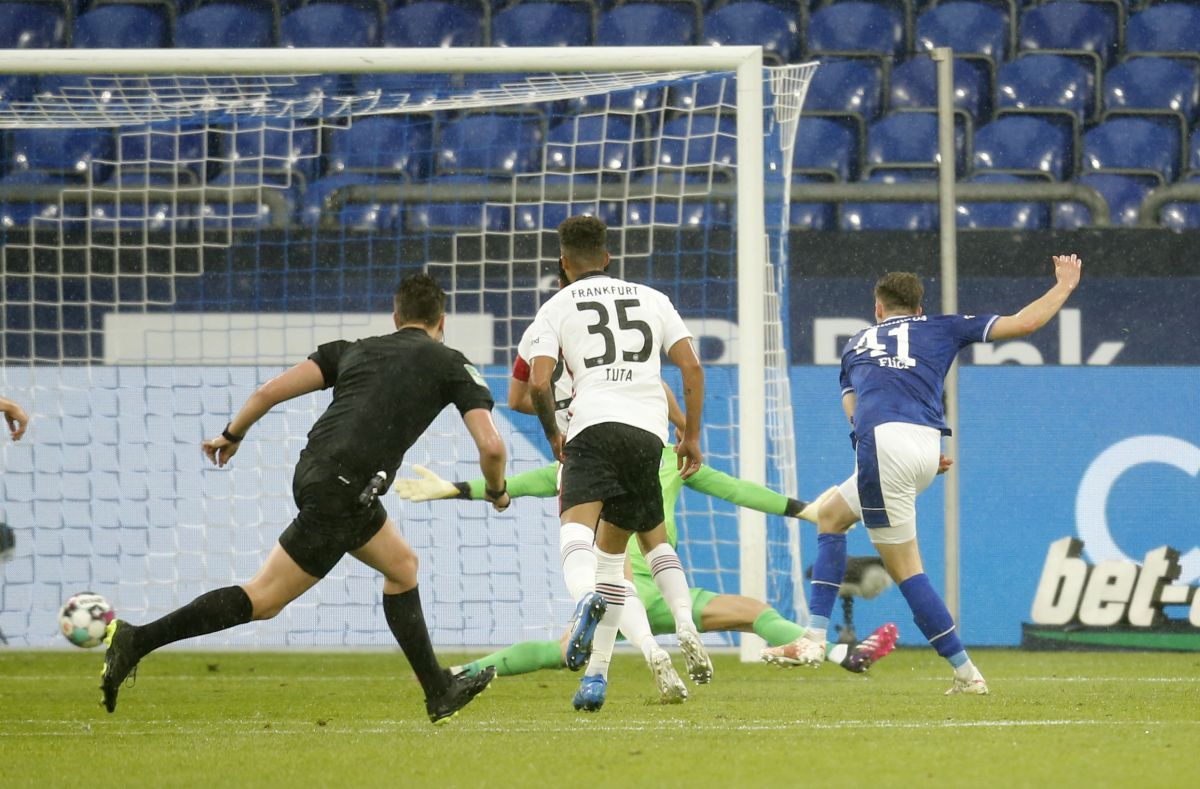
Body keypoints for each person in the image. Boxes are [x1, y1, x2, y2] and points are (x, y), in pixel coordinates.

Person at [99, 273, 510, 724]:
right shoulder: (451, 363)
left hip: (315, 472)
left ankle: (438, 690)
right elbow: (491, 447)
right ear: (442, 320)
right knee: (265, 599)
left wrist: (231, 434)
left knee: (402, 566)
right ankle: (136, 640)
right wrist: (495, 490)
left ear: (395, 317)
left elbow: (268, 391)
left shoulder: (353, 348)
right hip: (345, 488)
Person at [762, 255, 1083, 695]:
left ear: (878, 308)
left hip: (884, 446)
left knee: (908, 571)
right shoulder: (941, 326)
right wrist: (1064, 285)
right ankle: (815, 638)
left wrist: (884, 452)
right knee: (833, 515)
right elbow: (1024, 324)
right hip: (927, 447)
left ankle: (961, 672)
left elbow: (854, 411)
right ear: (918, 309)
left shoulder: (857, 342)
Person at [395, 460, 900, 695]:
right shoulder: (655, 456)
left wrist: (457, 489)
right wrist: (807, 512)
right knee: (751, 615)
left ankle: (462, 673)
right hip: (644, 585)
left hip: (626, 589)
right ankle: (842, 655)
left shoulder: (622, 458)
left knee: (565, 652)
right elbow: (740, 491)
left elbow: (523, 485)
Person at [525, 214, 706, 712]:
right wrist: (689, 435)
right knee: (627, 551)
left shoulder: (554, 308)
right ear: (607, 257)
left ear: (563, 263)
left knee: (577, 540)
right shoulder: (654, 298)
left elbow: (537, 385)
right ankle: (602, 673)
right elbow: (690, 367)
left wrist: (553, 435)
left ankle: (586, 601)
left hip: (591, 428)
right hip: (647, 436)